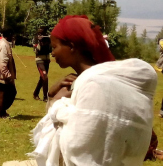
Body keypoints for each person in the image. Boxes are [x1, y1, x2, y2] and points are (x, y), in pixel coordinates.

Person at [25, 15, 156, 166]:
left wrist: (56, 102)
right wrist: (52, 94)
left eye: (55, 47)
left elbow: (78, 146)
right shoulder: (88, 79)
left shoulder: (93, 85)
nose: (53, 53)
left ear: (72, 47)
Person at [0, 28, 17, 118]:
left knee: (1, 93)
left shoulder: (3, 43)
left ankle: (1, 110)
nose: (13, 37)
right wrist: (8, 75)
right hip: (3, 75)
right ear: (9, 34)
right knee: (9, 93)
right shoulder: (4, 45)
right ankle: (1, 111)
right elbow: (3, 63)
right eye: (12, 35)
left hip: (1, 73)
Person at [32, 27, 51, 101]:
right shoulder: (36, 38)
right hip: (39, 59)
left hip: (47, 59)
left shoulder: (48, 37)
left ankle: (35, 93)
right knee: (45, 77)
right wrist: (40, 41)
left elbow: (51, 47)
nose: (40, 32)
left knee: (42, 78)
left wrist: (50, 39)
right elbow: (37, 49)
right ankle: (45, 97)